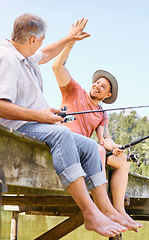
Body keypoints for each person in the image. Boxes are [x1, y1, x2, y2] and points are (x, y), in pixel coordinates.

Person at [0, 13, 136, 237]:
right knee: (62, 135)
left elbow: (48, 52)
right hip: (16, 127)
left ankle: (107, 209)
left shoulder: (27, 58)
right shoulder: (4, 58)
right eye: (42, 38)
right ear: (32, 40)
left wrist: (70, 38)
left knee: (93, 147)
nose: (44, 42)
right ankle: (89, 212)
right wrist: (39, 116)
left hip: (37, 123)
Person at [52, 41, 143, 231]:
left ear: (107, 95)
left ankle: (118, 210)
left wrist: (115, 148)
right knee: (99, 149)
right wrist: (70, 42)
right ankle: (103, 208)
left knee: (123, 161)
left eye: (103, 86)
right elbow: (57, 66)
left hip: (85, 150)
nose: (97, 86)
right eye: (97, 82)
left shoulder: (102, 113)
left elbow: (104, 140)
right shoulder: (74, 90)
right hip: (66, 144)